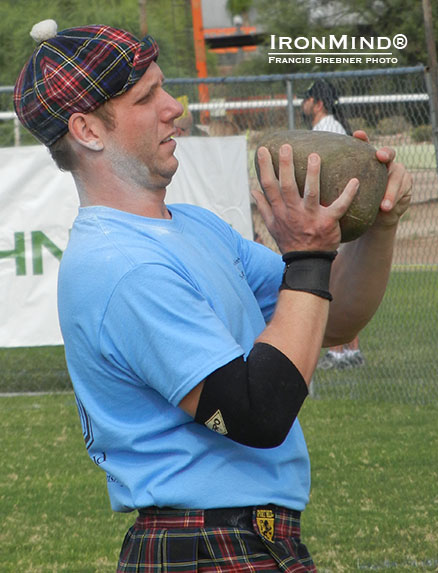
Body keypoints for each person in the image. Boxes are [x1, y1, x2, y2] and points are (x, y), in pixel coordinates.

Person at [14, 20, 412, 572]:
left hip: (249, 536)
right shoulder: (121, 265)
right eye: (147, 96)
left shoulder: (197, 227)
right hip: (204, 545)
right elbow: (256, 414)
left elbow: (330, 319)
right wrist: (308, 254)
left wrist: (377, 229)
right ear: (87, 130)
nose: (173, 106)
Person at [302, 79, 364, 370]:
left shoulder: (324, 130)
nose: (303, 103)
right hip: (345, 215)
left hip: (331, 217)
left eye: (307, 98)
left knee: (330, 283)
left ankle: (337, 352)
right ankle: (351, 351)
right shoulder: (335, 127)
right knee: (345, 282)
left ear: (319, 103)